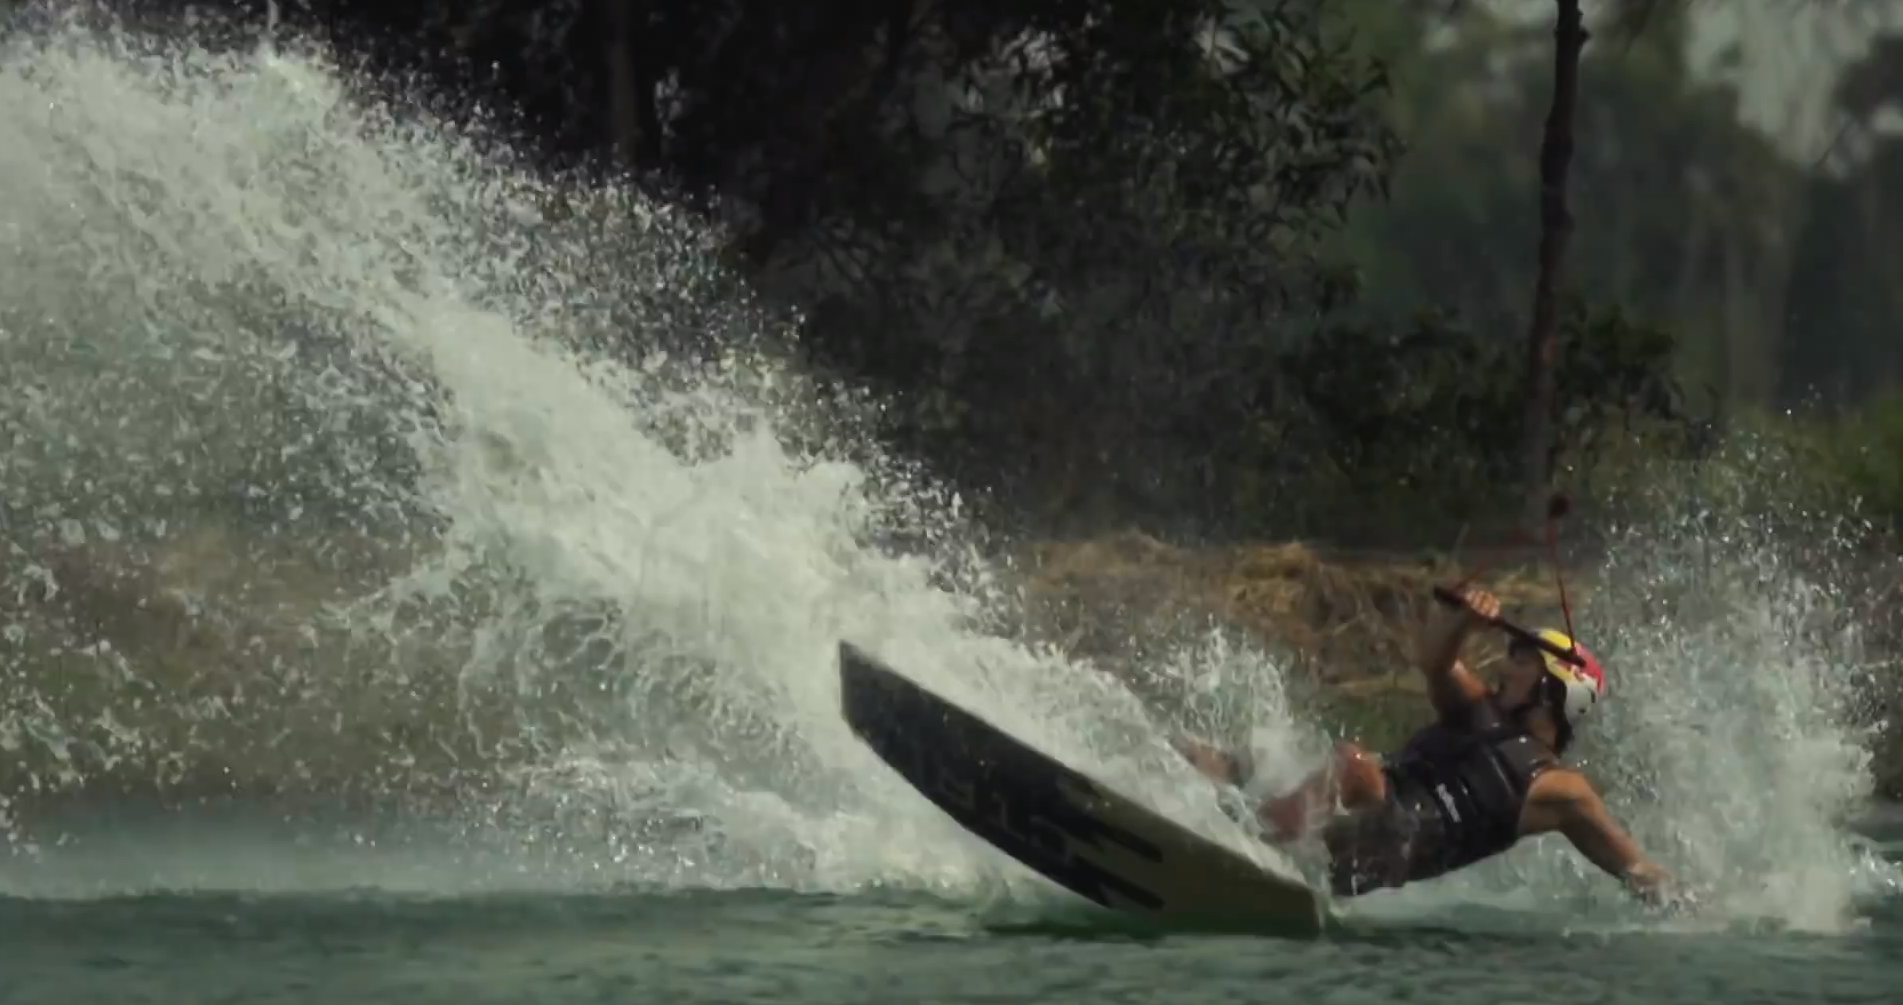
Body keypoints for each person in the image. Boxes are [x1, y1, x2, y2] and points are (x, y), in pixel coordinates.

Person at [1173, 584, 1686, 906]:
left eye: (1523, 663)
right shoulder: (1476, 709)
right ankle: (1159, 776)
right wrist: (1464, 621)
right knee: (1257, 755)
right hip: (1361, 814)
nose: (1506, 668)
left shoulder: (1562, 790)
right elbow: (1435, 660)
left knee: (1353, 766)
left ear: (1555, 692)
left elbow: (1633, 865)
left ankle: (1242, 845)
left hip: (1391, 848)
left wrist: (1686, 901)